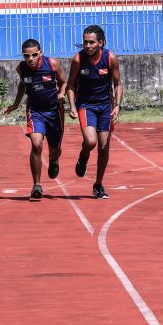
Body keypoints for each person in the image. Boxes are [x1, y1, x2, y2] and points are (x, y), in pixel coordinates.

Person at [4, 39, 68, 199]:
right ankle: (37, 185)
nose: (30, 59)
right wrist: (15, 104)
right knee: (36, 144)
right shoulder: (22, 68)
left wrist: (62, 93)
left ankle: (54, 161)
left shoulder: (52, 64)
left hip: (54, 112)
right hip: (35, 111)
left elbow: (64, 82)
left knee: (55, 150)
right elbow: (22, 85)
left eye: (34, 55)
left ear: (40, 53)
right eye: (26, 56)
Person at [66, 25, 123, 199]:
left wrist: (117, 105)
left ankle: (98, 185)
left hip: (105, 106)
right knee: (91, 142)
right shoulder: (78, 59)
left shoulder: (110, 58)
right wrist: (73, 107)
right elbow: (70, 84)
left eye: (91, 42)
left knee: (104, 147)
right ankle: (83, 157)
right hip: (86, 106)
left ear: (101, 42)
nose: (87, 46)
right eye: (85, 42)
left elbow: (118, 84)